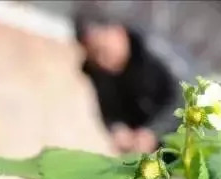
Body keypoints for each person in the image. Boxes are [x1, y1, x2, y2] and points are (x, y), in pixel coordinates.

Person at [74, 11, 183, 154]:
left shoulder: (154, 51)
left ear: (118, 33)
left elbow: (182, 97)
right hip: (146, 154)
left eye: (104, 50)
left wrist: (154, 132)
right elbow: (109, 111)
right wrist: (118, 129)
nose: (101, 61)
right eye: (94, 55)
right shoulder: (99, 72)